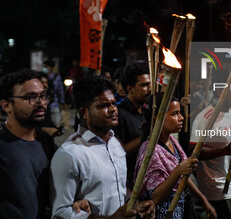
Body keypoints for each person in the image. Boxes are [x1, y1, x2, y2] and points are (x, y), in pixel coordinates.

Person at [51, 75, 155, 218]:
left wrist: (137, 204)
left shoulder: (115, 143)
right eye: (104, 106)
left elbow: (121, 190)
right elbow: (60, 213)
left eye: (113, 103)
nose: (113, 109)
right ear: (84, 112)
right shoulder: (70, 154)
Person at [135, 93, 217, 219]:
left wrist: (203, 200)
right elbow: (155, 197)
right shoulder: (150, 151)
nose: (181, 118)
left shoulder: (172, 140)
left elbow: (184, 175)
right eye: (175, 114)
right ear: (159, 118)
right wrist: (177, 171)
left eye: (180, 112)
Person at [0, 69, 55, 218]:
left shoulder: (47, 142)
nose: (41, 103)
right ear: (6, 105)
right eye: (30, 98)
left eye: (43, 96)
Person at [189, 80, 231, 219]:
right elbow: (194, 150)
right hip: (215, 184)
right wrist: (225, 151)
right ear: (220, 91)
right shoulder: (205, 117)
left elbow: (230, 141)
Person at [114, 63, 151, 192]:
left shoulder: (148, 111)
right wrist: (145, 137)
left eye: (150, 84)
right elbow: (118, 153)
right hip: (129, 184)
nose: (149, 89)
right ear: (130, 89)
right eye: (144, 85)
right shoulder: (119, 115)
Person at [43, 59, 65, 126]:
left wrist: (62, 102)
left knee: (56, 123)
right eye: (44, 67)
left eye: (46, 67)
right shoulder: (43, 77)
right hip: (44, 104)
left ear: (51, 67)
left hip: (54, 103)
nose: (45, 68)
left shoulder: (57, 77)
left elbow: (60, 90)